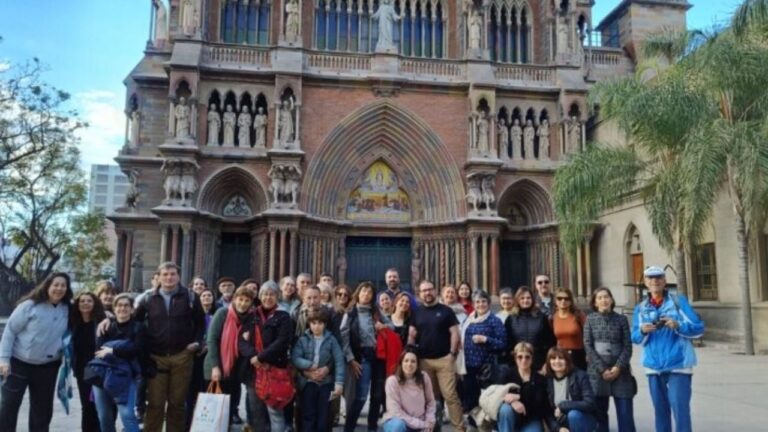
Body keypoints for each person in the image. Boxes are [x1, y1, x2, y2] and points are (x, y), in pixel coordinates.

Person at [130, 261, 205, 432]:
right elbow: (136, 323)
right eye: (165, 274)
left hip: (182, 355)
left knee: (177, 403)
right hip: (156, 357)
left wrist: (197, 343)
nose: (169, 277)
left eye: (172, 274)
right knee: (155, 403)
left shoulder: (191, 296)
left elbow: (200, 324)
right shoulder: (148, 298)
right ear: (159, 277)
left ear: (179, 276)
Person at [631, 266, 704, 432]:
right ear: (646, 283)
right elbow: (634, 337)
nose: (654, 281)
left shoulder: (679, 302)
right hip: (653, 366)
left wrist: (678, 325)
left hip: (679, 364)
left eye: (658, 277)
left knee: (680, 410)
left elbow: (698, 328)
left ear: (664, 282)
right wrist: (642, 330)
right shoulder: (641, 308)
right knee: (660, 411)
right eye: (650, 278)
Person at [0, 272, 73, 431]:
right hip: (18, 364)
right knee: (8, 407)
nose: (59, 289)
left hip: (47, 368)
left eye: (63, 286)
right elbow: (10, 331)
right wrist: (4, 359)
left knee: (42, 411)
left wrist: (107, 315)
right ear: (47, 285)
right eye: (56, 285)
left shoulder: (68, 309)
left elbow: (90, 311)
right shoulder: (29, 306)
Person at [408, 280, 465, 432]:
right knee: (430, 398)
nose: (427, 293)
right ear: (420, 294)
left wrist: (452, 354)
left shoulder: (446, 310)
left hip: (444, 360)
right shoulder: (417, 312)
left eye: (430, 289)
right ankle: (432, 427)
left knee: (450, 396)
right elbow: (412, 335)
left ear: (435, 291)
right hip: (424, 361)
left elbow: (455, 333)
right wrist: (411, 354)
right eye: (424, 290)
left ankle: (460, 428)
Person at [341, 281, 391, 432]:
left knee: (376, 396)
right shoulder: (350, 313)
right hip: (362, 357)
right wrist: (351, 359)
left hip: (378, 357)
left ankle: (372, 427)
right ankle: (349, 428)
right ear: (358, 293)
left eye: (369, 293)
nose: (366, 295)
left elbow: (392, 325)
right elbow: (343, 337)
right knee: (361, 396)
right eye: (363, 291)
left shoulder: (375, 312)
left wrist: (383, 326)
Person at [584, 287, 636, 432]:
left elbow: (627, 346)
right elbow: (588, 346)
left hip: (621, 372)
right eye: (599, 298)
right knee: (600, 415)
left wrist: (618, 367)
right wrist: (602, 369)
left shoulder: (622, 319)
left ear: (612, 300)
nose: (604, 300)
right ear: (595, 302)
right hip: (598, 374)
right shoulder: (590, 319)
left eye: (606, 297)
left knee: (625, 413)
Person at [204, 286, 256, 428]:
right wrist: (215, 367)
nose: (243, 303)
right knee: (213, 411)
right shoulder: (223, 313)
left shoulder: (251, 318)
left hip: (235, 369)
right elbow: (212, 340)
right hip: (217, 367)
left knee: (229, 409)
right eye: (240, 299)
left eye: (247, 300)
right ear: (234, 299)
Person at [92, 293, 145, 432]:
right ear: (114, 308)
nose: (123, 308)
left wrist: (113, 351)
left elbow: (137, 350)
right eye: (119, 305)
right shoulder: (105, 326)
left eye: (127, 305)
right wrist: (124, 347)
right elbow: (99, 351)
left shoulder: (139, 327)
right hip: (102, 375)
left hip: (126, 376)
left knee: (127, 414)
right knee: (104, 416)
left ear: (132, 309)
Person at [291, 306, 345, 432]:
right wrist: (309, 365)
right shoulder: (303, 340)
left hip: (325, 384)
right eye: (313, 323)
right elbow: (295, 357)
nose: (317, 326)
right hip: (308, 384)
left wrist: (339, 383)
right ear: (309, 324)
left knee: (323, 415)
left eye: (320, 323)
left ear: (325, 324)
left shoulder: (331, 340)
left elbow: (339, 360)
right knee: (308, 414)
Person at [248, 282, 293, 432]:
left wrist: (261, 358)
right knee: (257, 411)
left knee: (275, 411)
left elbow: (283, 341)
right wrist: (255, 359)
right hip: (255, 369)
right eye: (265, 294)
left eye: (272, 294)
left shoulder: (283, 316)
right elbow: (243, 339)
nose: (268, 297)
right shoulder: (252, 315)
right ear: (260, 296)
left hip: (275, 369)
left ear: (277, 297)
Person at [458, 289, 506, 412]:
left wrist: (485, 339)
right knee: (471, 401)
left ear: (489, 303)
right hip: (469, 368)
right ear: (473, 304)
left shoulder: (494, 321)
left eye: (483, 301)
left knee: (486, 401)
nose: (480, 304)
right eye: (477, 302)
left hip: (486, 369)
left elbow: (502, 344)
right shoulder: (468, 320)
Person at [70, 291, 107, 432]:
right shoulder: (74, 322)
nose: (85, 303)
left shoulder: (102, 321)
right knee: (86, 405)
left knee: (99, 405)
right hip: (81, 370)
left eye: (89, 301)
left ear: (95, 304)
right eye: (82, 301)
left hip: (99, 369)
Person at [494, 342, 548, 432]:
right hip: (510, 417)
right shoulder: (507, 374)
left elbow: (539, 404)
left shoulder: (539, 378)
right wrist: (512, 402)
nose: (524, 360)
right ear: (515, 358)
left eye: (527, 357)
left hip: (531, 419)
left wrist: (518, 397)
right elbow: (497, 394)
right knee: (505, 409)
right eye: (520, 357)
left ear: (532, 358)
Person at [381, 349, 437, 432]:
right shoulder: (392, 381)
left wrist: (429, 422)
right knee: (398, 425)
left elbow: (430, 402)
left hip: (420, 422)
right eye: (406, 361)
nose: (409, 364)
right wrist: (421, 424)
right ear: (401, 363)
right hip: (399, 421)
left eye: (413, 361)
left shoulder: (424, 377)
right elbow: (396, 412)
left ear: (417, 365)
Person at [187, 286, 219, 429]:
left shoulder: (217, 314)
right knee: (191, 388)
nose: (206, 298)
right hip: (194, 355)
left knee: (206, 389)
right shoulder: (193, 315)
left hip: (210, 356)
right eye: (203, 296)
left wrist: (207, 347)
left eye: (209, 295)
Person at [544, 347, 597, 432]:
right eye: (553, 358)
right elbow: (547, 411)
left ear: (567, 361)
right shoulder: (547, 380)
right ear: (549, 362)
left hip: (582, 419)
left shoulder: (580, 376)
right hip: (560, 422)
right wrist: (558, 429)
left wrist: (563, 405)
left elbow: (590, 403)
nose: (557, 361)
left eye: (561, 358)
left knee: (573, 415)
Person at [504, 286, 555, 372]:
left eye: (528, 298)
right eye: (522, 298)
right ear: (517, 300)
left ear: (532, 299)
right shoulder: (511, 318)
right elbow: (507, 342)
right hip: (517, 363)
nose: (525, 300)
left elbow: (550, 341)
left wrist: (547, 362)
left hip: (538, 363)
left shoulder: (541, 317)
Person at [551, 287, 587, 370]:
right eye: (559, 298)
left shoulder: (579, 315)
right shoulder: (553, 317)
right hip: (560, 355)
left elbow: (588, 334)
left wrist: (588, 353)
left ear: (570, 301)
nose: (563, 301)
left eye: (566, 298)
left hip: (578, 355)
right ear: (555, 301)